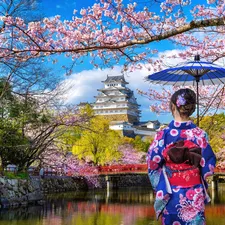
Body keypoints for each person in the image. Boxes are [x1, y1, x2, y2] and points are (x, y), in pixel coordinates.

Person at [147, 88, 216, 225]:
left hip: (171, 193)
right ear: (192, 109)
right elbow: (209, 164)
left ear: (173, 106)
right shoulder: (201, 134)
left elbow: (152, 164)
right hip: (194, 192)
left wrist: (162, 184)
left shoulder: (163, 135)